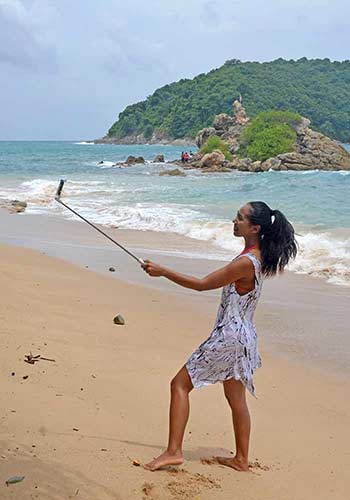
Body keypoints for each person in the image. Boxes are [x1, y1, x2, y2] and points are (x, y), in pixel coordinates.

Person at [141, 201, 297, 472]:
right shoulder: (257, 256)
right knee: (236, 399)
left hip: (230, 337)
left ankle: (173, 451)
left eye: (240, 218)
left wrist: (163, 272)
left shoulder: (246, 262)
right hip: (244, 337)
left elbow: (202, 285)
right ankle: (241, 459)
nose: (234, 221)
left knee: (179, 385)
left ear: (254, 227)